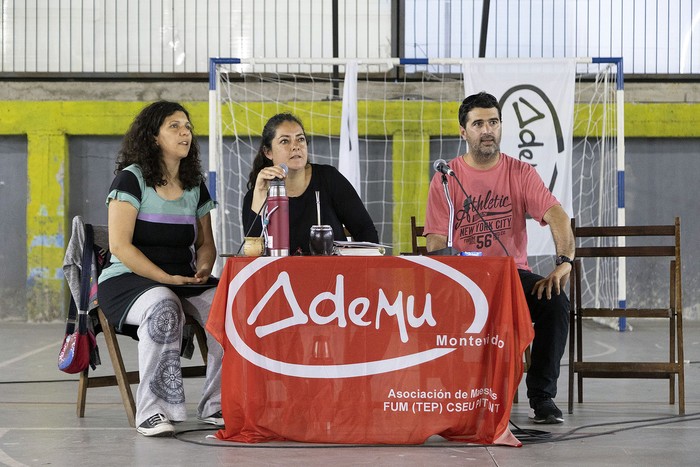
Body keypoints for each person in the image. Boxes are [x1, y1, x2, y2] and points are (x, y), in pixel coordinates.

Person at [423, 92, 574, 424]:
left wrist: (564, 261)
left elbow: (558, 217)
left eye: (493, 122)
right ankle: (451, 394)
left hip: (511, 278)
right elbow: (434, 239)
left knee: (556, 302)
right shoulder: (446, 178)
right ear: (464, 132)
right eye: (478, 123)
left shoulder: (520, 173)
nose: (487, 129)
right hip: (465, 279)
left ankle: (542, 396)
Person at [97, 101, 224, 437]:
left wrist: (205, 266)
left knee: (230, 309)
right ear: (153, 137)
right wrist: (166, 279)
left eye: (187, 126)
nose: (185, 132)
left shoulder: (194, 184)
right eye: (174, 126)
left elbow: (205, 244)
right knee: (164, 304)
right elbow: (120, 247)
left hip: (181, 279)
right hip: (127, 280)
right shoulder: (131, 180)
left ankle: (218, 405)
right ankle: (153, 412)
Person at [242, 113, 379, 254]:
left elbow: (366, 231)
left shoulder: (329, 178)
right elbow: (253, 254)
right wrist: (259, 192)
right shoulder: (254, 196)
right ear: (268, 152)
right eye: (285, 141)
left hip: (333, 273)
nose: (295, 146)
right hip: (280, 275)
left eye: (300, 139)